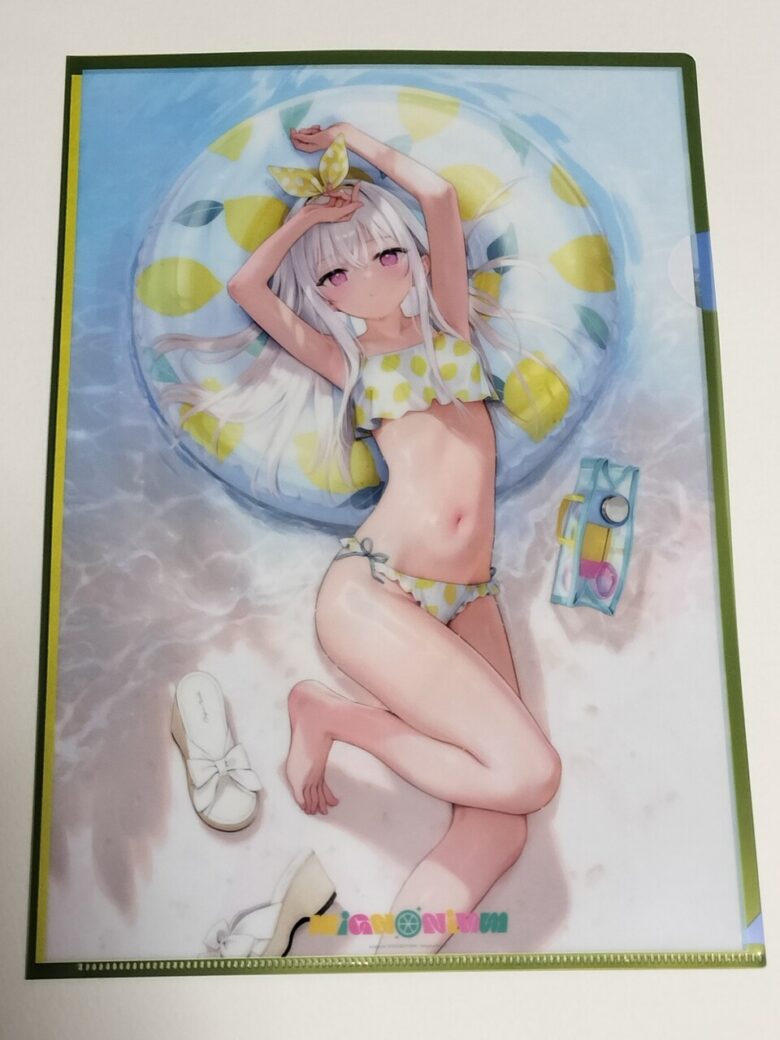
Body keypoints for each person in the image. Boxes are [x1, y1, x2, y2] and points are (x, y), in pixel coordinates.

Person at [226, 121, 561, 953]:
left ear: (406, 256)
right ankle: (334, 717)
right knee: (532, 775)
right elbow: (246, 286)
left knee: (502, 822)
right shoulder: (348, 363)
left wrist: (351, 138)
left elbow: (438, 196)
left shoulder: (451, 325)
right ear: (325, 296)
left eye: (383, 253)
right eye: (337, 273)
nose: (369, 277)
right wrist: (308, 221)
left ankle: (397, 958)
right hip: (376, 590)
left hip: (468, 595)